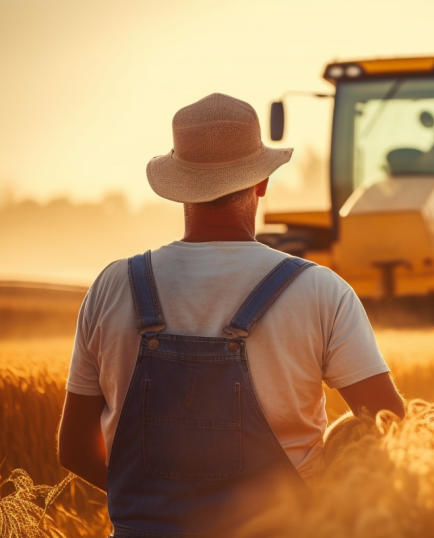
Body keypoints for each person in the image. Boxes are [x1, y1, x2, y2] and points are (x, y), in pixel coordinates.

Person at [57, 92, 405, 536]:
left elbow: (74, 449)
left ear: (179, 187)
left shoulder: (113, 286)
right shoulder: (320, 291)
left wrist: (154, 509)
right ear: (261, 183)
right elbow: (392, 428)